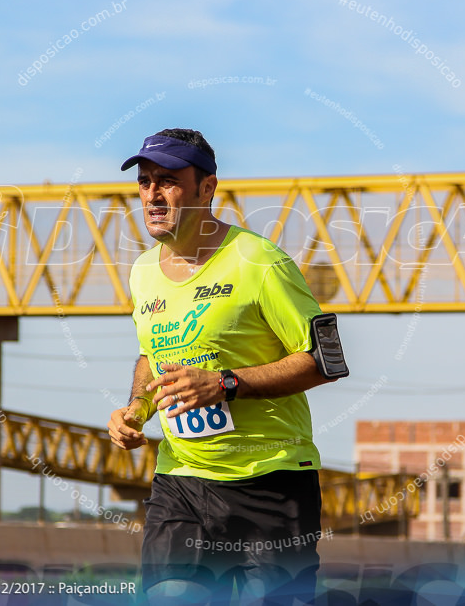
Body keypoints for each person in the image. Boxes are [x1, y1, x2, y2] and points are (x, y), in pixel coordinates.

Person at [107, 128, 348, 605]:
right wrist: (137, 407)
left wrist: (226, 384)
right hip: (183, 478)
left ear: (207, 187)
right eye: (145, 181)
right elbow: (150, 356)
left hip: (271, 478)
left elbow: (327, 361)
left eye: (169, 180)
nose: (153, 192)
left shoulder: (260, 262)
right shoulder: (143, 271)